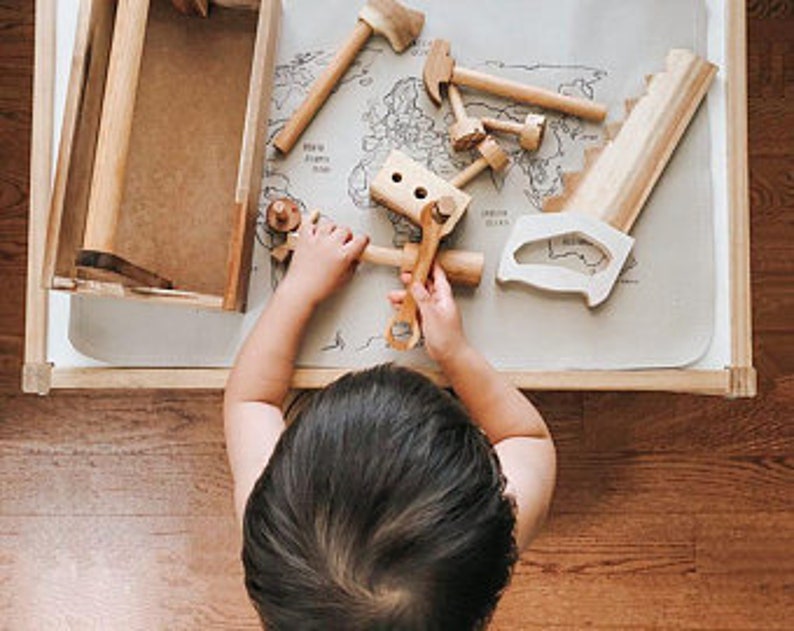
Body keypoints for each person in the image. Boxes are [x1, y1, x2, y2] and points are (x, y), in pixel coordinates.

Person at [224, 216, 556, 630]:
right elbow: (525, 437)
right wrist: (455, 353)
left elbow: (250, 399)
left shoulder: (275, 539)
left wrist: (298, 289)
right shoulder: (487, 535)